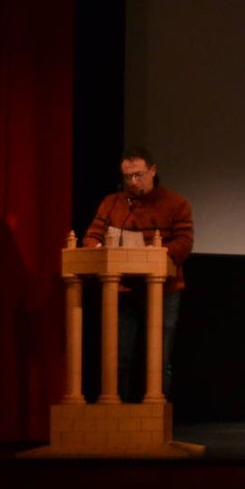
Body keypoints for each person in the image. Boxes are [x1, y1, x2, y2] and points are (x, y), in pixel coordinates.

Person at [83, 145, 194, 400]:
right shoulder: (112, 204)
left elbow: (184, 244)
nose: (133, 182)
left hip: (163, 292)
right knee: (118, 359)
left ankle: (156, 419)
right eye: (128, 177)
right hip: (122, 292)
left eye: (139, 175)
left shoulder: (177, 203)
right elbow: (90, 237)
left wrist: (152, 254)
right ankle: (118, 417)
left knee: (158, 362)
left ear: (152, 171)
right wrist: (100, 249)